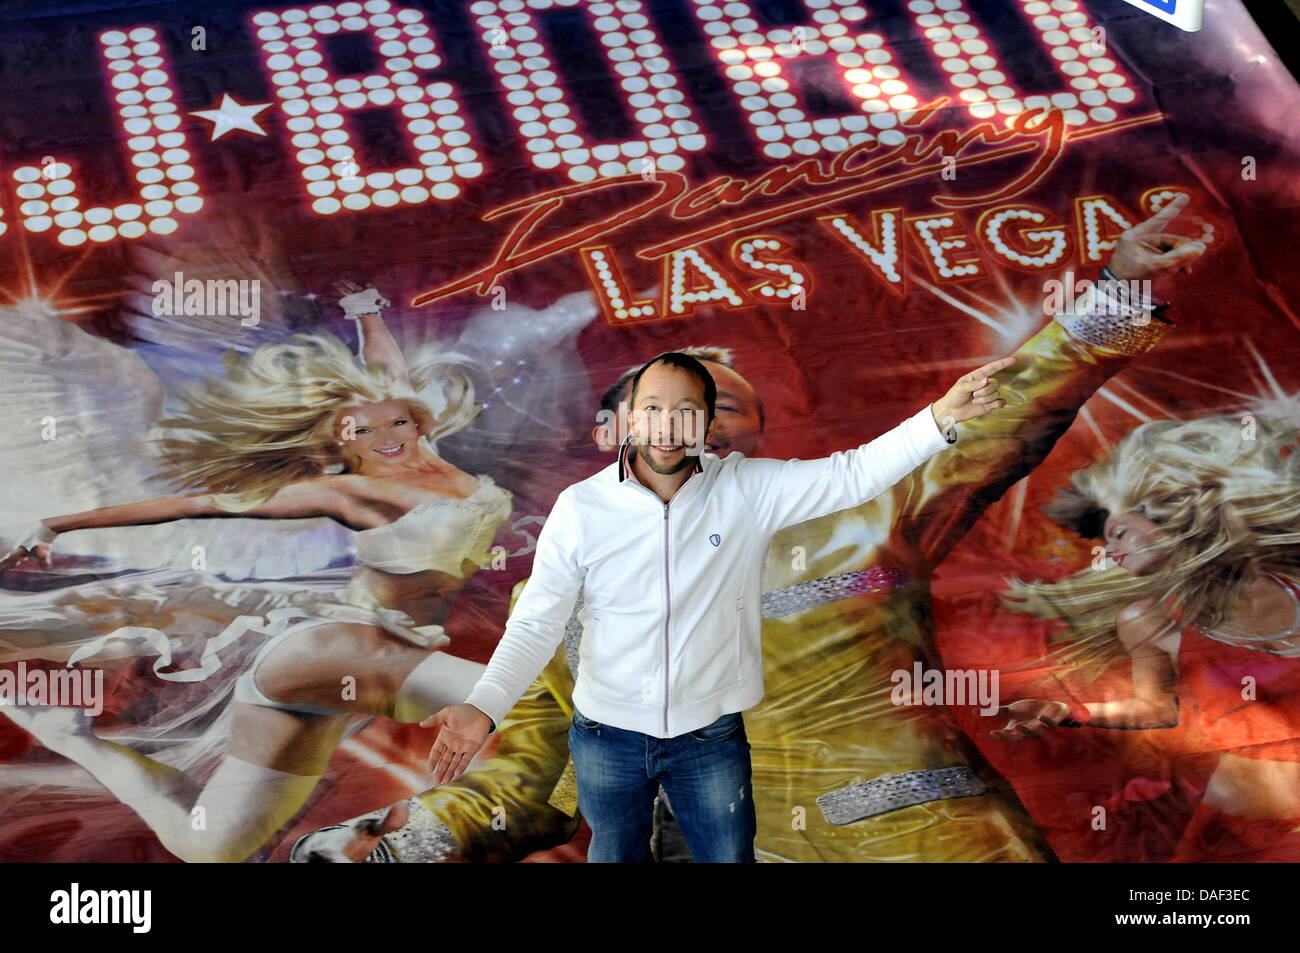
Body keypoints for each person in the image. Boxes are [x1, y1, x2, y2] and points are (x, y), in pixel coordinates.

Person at [293, 194, 1208, 864]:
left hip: (935, 842)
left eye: (725, 409)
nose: (698, 424)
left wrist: (1117, 294)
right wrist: (412, 840)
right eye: (669, 406)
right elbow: (533, 773)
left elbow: (1005, 415)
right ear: (612, 432)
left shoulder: (861, 509)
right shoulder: (560, 576)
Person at [408, 345, 1012, 863]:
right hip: (606, 737)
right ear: (628, 419)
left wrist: (938, 418)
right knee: (615, 854)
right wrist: (484, 706)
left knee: (727, 856)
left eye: (687, 411)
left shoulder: (747, 489)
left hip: (710, 738)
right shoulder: (581, 507)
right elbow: (536, 622)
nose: (667, 426)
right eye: (652, 409)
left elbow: (852, 474)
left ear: (704, 423)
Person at [0, 284, 510, 863]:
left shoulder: (422, 449)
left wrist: (367, 313)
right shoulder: (345, 491)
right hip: (340, 653)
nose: (386, 439)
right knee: (538, 702)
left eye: (396, 423)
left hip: (343, 677)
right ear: (339, 442)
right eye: (361, 433)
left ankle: (67, 736)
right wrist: (57, 524)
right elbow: (196, 506)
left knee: (209, 848)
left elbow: (385, 376)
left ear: (415, 419)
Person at [994, 415, 1300, 861]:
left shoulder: (1292, 580)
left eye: (1118, 532)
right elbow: (1155, 709)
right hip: (1242, 833)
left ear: (1170, 515)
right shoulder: (1150, 620)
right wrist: (1069, 711)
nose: (1110, 550)